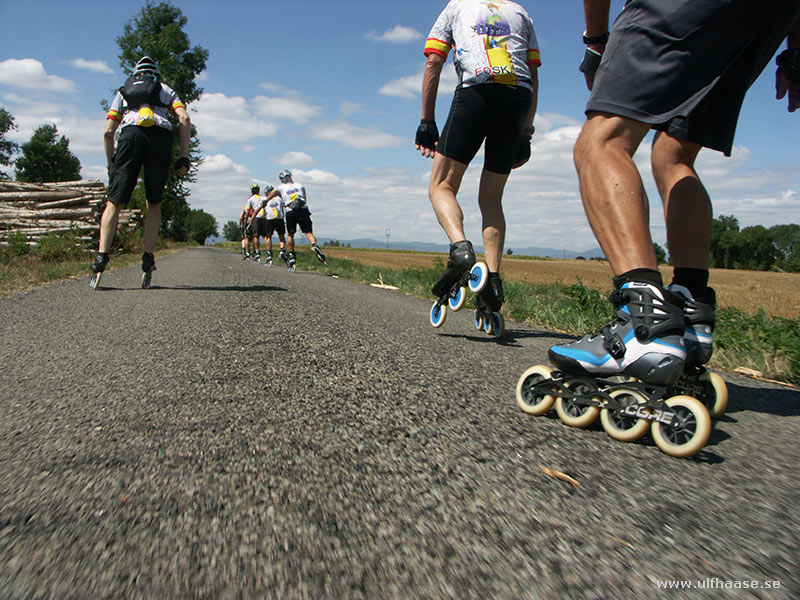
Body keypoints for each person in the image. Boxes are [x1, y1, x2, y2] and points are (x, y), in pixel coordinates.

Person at [547, 1, 800, 384]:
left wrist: (596, 40)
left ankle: (643, 325)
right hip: (770, 15)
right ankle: (690, 314)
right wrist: (794, 50)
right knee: (674, 154)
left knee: (601, 141)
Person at [415, 0, 540, 313]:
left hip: (477, 92)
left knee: (440, 186)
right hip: (518, 97)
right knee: (492, 200)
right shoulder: (521, 12)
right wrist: (525, 133)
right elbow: (534, 76)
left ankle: (460, 250)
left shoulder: (456, 6)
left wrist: (427, 121)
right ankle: (493, 281)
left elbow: (433, 62)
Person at [91, 56, 191, 281]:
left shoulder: (123, 92)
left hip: (129, 136)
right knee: (153, 202)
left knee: (114, 202)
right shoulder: (166, 90)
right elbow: (183, 118)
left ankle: (101, 256)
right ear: (156, 74)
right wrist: (184, 157)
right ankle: (147, 256)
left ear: (136, 74)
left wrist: (111, 164)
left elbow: (108, 131)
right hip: (160, 136)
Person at [263, 170, 326, 267]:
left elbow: (271, 195)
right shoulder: (300, 186)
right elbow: (305, 199)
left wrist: (265, 201)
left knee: (290, 235)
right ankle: (314, 245)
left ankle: (292, 255)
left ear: (282, 179)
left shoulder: (280, 187)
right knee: (308, 233)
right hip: (303, 209)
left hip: (290, 210)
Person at [248, 184, 287, 265]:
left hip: (269, 219)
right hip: (279, 219)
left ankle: (269, 252)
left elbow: (258, 210)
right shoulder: (279, 199)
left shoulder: (264, 199)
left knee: (268, 236)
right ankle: (282, 250)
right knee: (282, 237)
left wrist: (251, 222)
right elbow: (282, 209)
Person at [245, 183, 265, 262]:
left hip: (254, 218)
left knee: (252, 236)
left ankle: (249, 252)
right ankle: (262, 251)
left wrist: (246, 221)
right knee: (266, 236)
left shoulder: (251, 198)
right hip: (265, 218)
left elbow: (246, 211)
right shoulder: (263, 197)